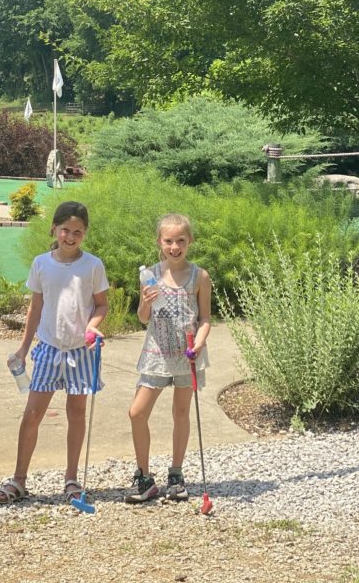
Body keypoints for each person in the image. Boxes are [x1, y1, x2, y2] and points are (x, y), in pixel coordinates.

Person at [0, 200, 109, 505]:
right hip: (48, 348)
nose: (71, 237)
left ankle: (71, 479)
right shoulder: (42, 263)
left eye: (77, 232)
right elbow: (36, 307)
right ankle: (19, 479)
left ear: (85, 233)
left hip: (81, 352)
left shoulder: (93, 265)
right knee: (32, 414)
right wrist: (24, 347)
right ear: (55, 229)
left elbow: (101, 305)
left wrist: (92, 326)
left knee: (77, 413)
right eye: (65, 230)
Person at [125, 212, 211, 503]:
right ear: (159, 242)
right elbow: (142, 318)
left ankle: (176, 474)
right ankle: (144, 476)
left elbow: (205, 318)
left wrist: (199, 343)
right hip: (157, 353)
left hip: (187, 353)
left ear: (190, 241)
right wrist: (145, 302)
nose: (175, 247)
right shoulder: (150, 275)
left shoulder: (200, 276)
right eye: (168, 241)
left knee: (181, 413)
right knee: (137, 412)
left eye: (180, 241)